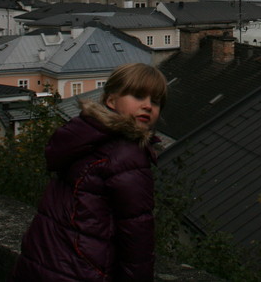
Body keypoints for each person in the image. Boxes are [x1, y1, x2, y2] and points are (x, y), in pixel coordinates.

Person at [10, 63, 168, 281]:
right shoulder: (126, 154)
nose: (148, 106)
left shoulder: (84, 137)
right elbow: (137, 235)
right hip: (82, 269)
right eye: (138, 96)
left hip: (43, 260)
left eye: (156, 101)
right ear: (111, 100)